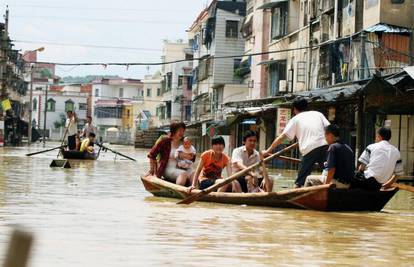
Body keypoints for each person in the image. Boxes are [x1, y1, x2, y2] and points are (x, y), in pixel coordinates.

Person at [262, 98, 330, 188]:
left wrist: (268, 150)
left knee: (300, 180)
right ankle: (332, 188)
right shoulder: (318, 114)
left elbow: (282, 137)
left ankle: (295, 189)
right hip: (325, 145)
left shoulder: (295, 119)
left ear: (294, 109)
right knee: (328, 172)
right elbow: (329, 129)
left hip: (309, 149)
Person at [304, 124, 354, 189]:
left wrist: (325, 186)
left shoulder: (332, 147)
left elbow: (331, 170)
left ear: (330, 135)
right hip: (348, 184)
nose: (325, 139)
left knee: (309, 178)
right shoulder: (348, 148)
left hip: (337, 183)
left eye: (325, 136)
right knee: (323, 175)